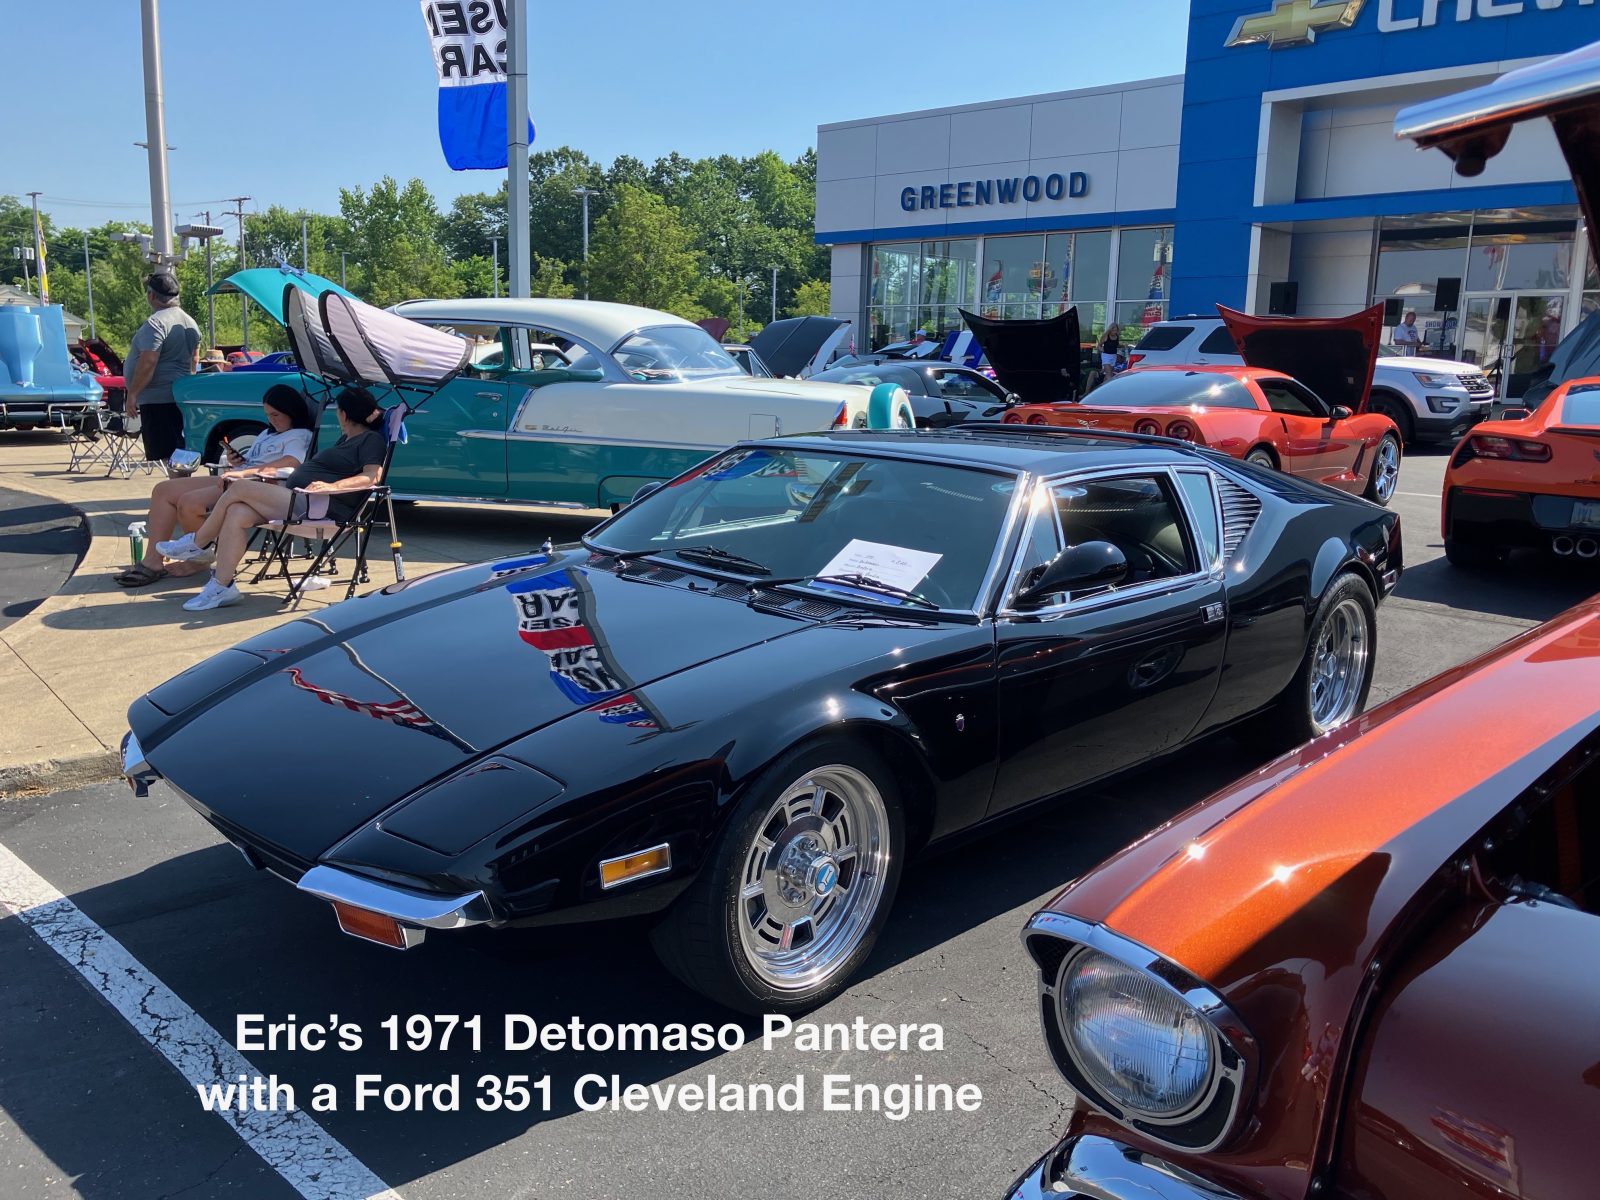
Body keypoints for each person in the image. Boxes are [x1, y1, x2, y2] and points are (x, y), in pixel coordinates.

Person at [156, 387, 387, 612]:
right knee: (237, 511)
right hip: (301, 500)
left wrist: (332, 486)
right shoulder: (345, 440)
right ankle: (221, 587)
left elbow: (372, 476)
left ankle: (197, 543)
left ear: (343, 414)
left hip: (320, 506)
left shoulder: (370, 440)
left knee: (240, 487)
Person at [113, 384, 317, 587]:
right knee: (163, 490)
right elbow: (254, 461)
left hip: (255, 485)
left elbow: (292, 461)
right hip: (237, 478)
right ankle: (152, 560)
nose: (271, 420)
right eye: (268, 415)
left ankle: (199, 559)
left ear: (291, 411)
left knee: (189, 502)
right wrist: (237, 461)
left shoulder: (299, 435)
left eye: (276, 415)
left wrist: (243, 472)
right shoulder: (267, 433)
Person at [124, 271, 201, 464]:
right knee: (179, 452)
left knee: (169, 455)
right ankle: (181, 482)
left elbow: (148, 362)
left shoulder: (156, 323)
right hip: (180, 395)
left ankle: (176, 484)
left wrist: (133, 394)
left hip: (157, 399)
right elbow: (194, 359)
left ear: (151, 295)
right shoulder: (190, 322)